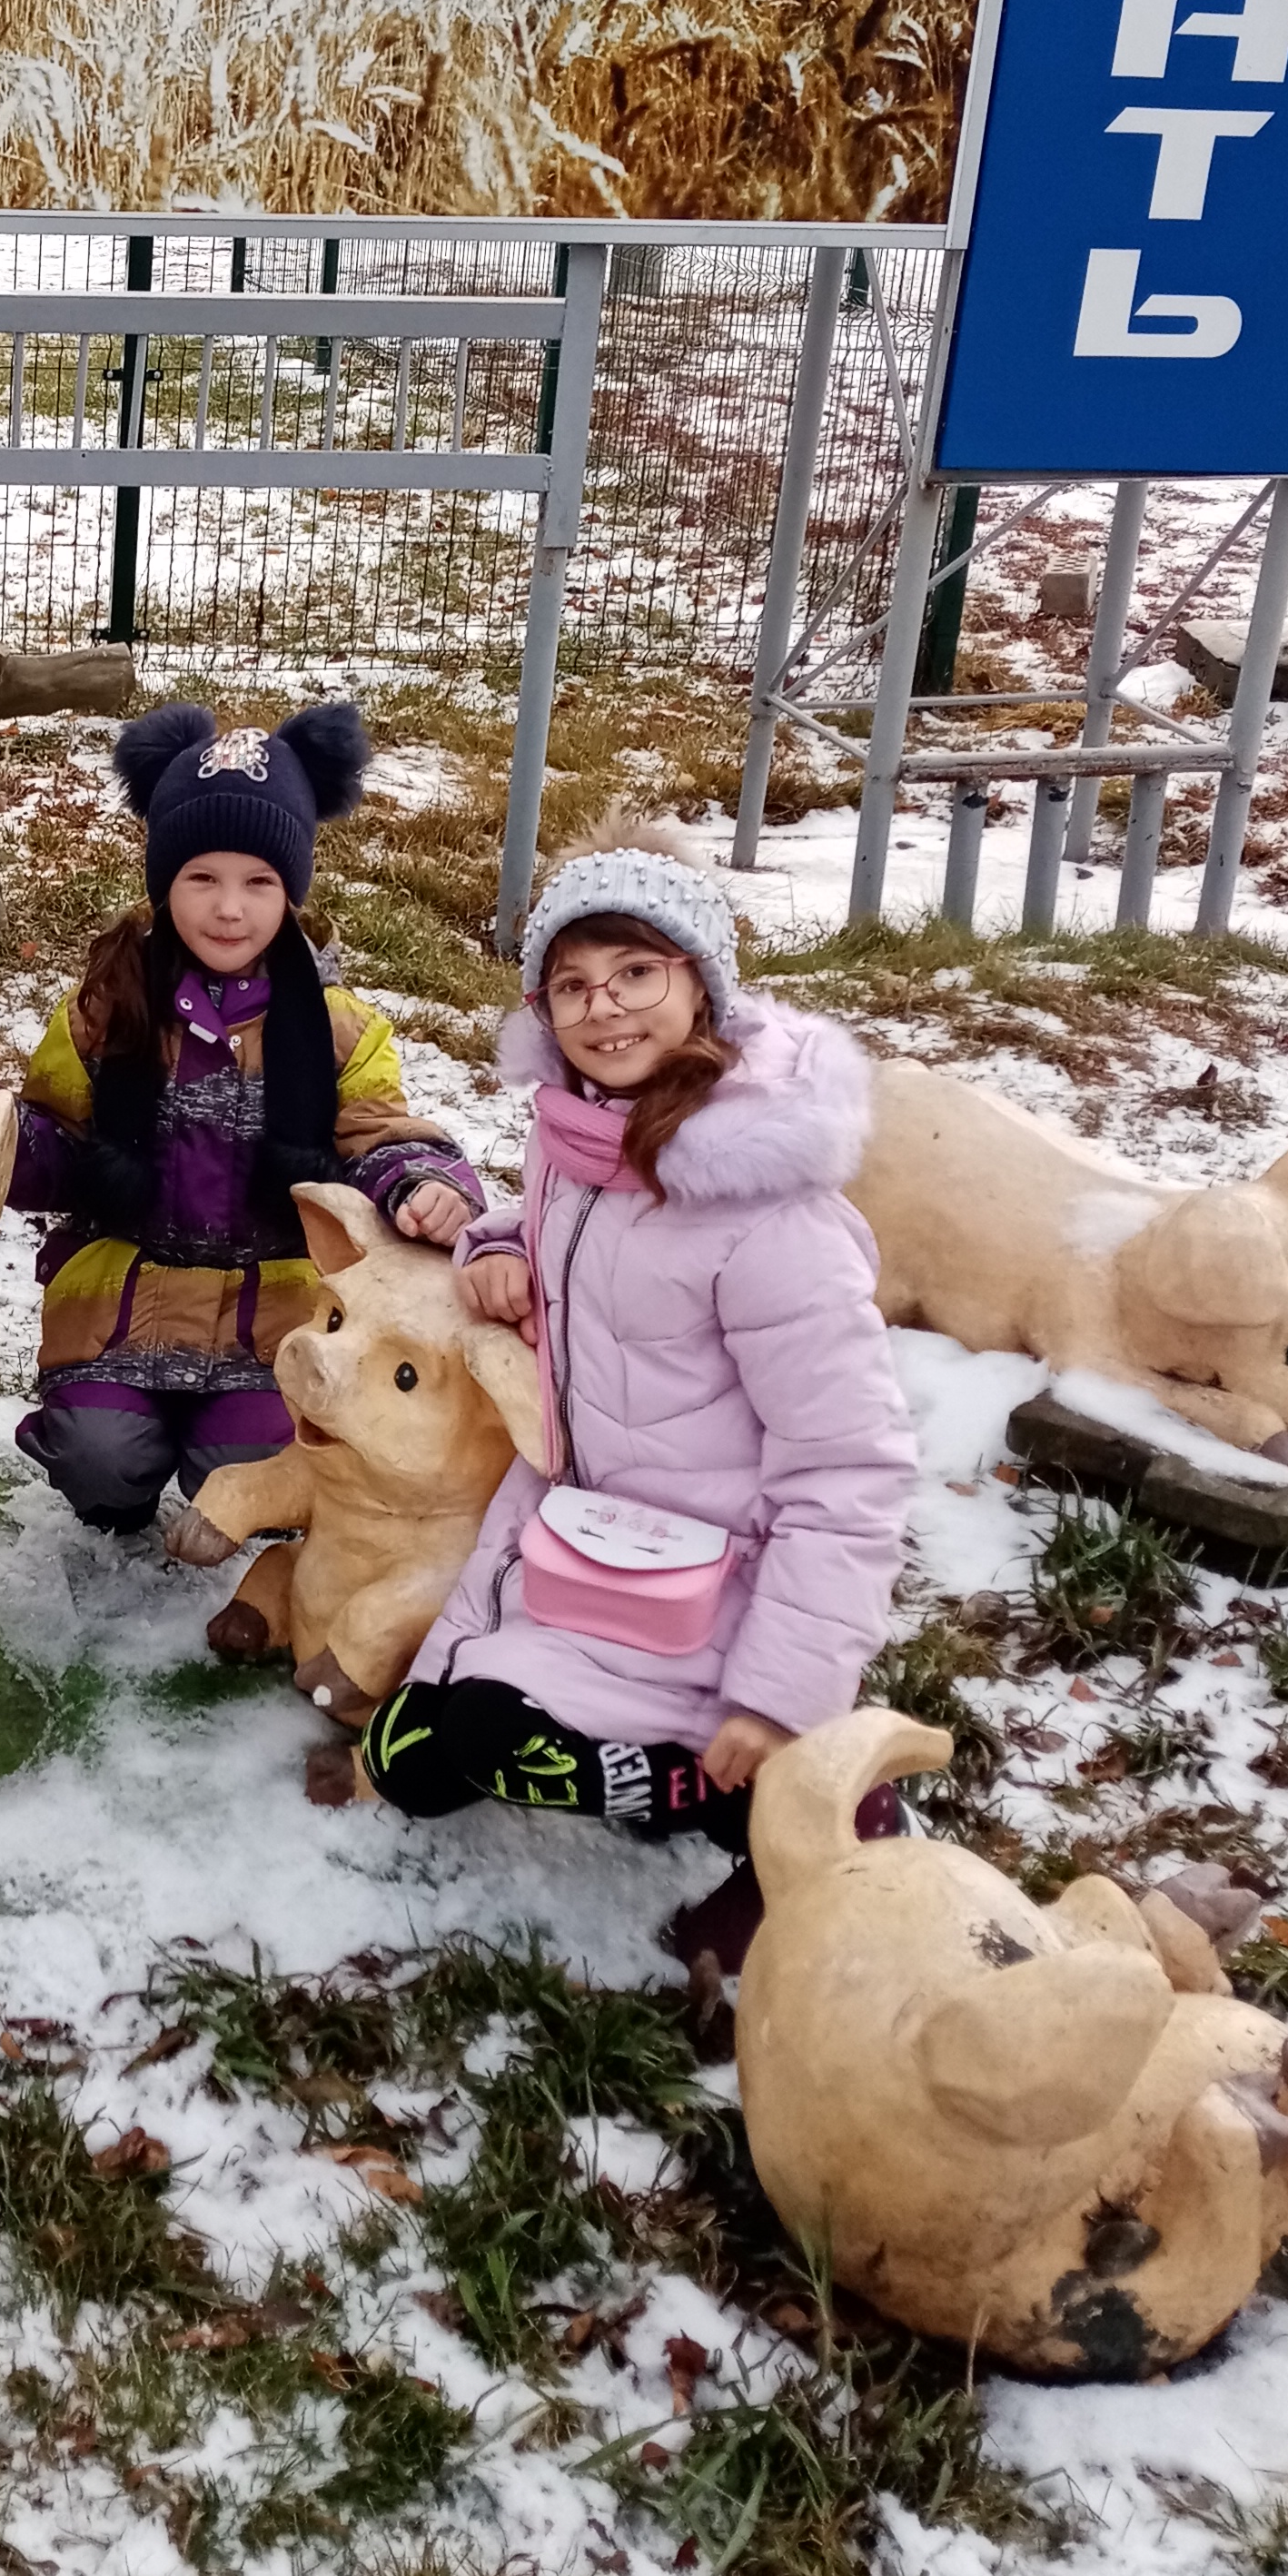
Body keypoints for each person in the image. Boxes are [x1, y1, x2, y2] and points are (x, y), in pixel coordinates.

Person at [347, 839, 915, 1975]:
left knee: (472, 1736)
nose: (603, 1008)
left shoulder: (768, 1214)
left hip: (717, 1580)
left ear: (701, 979)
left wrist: (780, 1691)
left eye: (636, 972)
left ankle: (790, 1800)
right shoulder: (580, 1136)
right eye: (571, 984)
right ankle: (661, 1750)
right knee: (413, 1767)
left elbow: (848, 1471)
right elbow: (571, 1236)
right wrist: (508, 1240)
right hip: (582, 1534)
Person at [0, 703, 480, 1534]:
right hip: (123, 1305)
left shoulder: (341, 1031)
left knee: (254, 1475)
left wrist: (422, 1185)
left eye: (259, 882)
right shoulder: (106, 1012)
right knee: (99, 1457)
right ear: (165, 883)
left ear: (291, 891)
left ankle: (235, 1486)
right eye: (203, 879)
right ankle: (117, 1490)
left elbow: (380, 1138)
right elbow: (54, 1148)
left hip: (274, 1321)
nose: (230, 908)